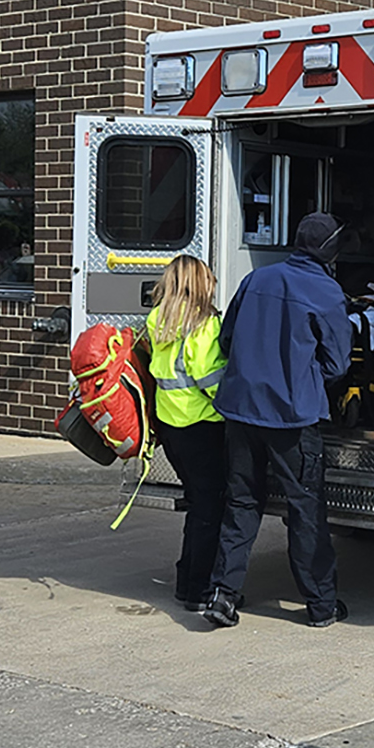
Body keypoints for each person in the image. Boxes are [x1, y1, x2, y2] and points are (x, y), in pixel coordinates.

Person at [203, 213, 354, 629]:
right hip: (292, 419)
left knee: (241, 504)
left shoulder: (257, 279)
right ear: (331, 250)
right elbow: (338, 364)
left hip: (240, 412)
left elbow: (227, 338)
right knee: (305, 509)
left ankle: (223, 595)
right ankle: (321, 605)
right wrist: (303, 381)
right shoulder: (326, 291)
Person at [141, 256, 229, 613]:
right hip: (203, 426)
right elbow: (211, 380)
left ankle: (185, 582)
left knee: (197, 505)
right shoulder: (205, 325)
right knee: (210, 510)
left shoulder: (157, 319)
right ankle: (199, 589)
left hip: (171, 427)